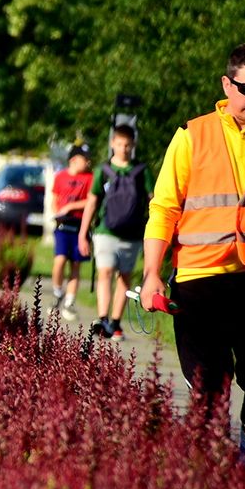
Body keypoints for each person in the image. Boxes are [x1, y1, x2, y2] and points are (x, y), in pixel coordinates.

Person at [141, 43, 245, 472]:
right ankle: (212, 471)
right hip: (200, 282)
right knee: (209, 386)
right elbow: (164, 207)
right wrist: (152, 275)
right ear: (226, 85)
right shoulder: (191, 134)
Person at [77, 125, 154, 341]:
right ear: (113, 144)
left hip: (132, 234)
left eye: (127, 145)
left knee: (124, 277)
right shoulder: (103, 170)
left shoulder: (141, 171)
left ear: (133, 145)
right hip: (105, 232)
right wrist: (83, 233)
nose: (123, 148)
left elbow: (154, 200)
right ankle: (103, 319)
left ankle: (116, 322)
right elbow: (92, 202)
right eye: (120, 144)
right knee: (105, 272)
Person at [50, 144, 93, 321]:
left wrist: (71, 207)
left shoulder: (90, 178)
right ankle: (57, 292)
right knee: (60, 260)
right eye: (85, 159)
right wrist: (58, 212)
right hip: (62, 225)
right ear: (74, 160)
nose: (88, 162)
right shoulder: (60, 177)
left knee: (75, 264)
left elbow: (91, 201)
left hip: (79, 225)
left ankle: (70, 301)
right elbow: (55, 198)